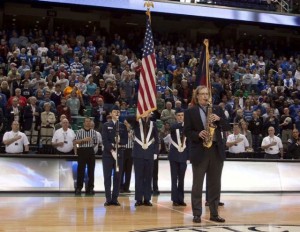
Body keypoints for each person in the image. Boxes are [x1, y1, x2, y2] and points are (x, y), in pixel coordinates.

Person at [184, 85, 230, 223]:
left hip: (216, 151)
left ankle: (214, 213)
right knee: (197, 184)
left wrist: (219, 119)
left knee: (215, 184)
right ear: (197, 96)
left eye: (207, 94)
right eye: (202, 94)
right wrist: (197, 134)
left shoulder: (217, 109)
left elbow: (227, 126)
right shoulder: (190, 112)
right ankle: (197, 214)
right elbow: (186, 131)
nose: (205, 96)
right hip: (200, 151)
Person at [126, 111, 159, 207]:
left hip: (149, 154)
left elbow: (157, 140)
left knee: (148, 177)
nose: (147, 114)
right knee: (139, 177)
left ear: (150, 114)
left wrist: (156, 153)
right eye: (145, 112)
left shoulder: (153, 124)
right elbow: (128, 118)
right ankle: (139, 199)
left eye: (148, 113)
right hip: (138, 154)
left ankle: (147, 199)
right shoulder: (136, 122)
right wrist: (139, 115)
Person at [101, 105, 128, 205]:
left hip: (119, 154)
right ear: (111, 113)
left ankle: (115, 198)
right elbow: (105, 140)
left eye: (118, 111)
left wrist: (120, 142)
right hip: (108, 155)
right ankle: (108, 199)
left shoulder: (122, 126)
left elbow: (126, 139)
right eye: (114, 111)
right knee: (107, 177)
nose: (116, 113)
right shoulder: (105, 125)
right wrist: (112, 150)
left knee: (117, 177)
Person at [167, 108, 189, 206]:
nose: (180, 117)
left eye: (182, 115)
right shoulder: (173, 126)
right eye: (179, 115)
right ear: (176, 117)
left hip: (183, 155)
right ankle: (175, 199)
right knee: (174, 178)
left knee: (181, 178)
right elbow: (173, 128)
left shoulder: (188, 127)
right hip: (174, 155)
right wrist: (183, 125)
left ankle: (181, 199)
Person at [74, 117, 99, 196]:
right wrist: (83, 140)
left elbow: (95, 143)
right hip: (81, 151)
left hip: (90, 151)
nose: (88, 123)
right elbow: (76, 143)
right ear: (84, 123)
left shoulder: (94, 132)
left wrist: (90, 146)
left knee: (91, 171)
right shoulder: (79, 132)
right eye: (86, 121)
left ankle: (90, 188)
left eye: (89, 121)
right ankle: (79, 188)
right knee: (80, 170)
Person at [120, 120, 134, 193]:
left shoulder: (133, 132)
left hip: (130, 151)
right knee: (121, 170)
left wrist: (132, 137)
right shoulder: (121, 131)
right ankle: (120, 187)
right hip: (122, 150)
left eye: (127, 123)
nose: (126, 125)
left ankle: (127, 187)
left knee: (128, 171)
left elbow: (136, 141)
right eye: (124, 123)